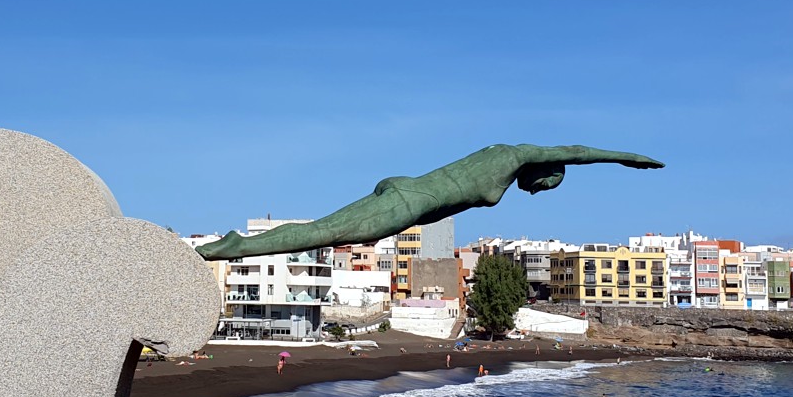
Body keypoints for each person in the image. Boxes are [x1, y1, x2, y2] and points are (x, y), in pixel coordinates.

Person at [197, 144, 662, 260]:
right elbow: (576, 152)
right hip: (409, 201)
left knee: (326, 229)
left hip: (409, 196)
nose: (539, 192)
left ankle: (239, 246)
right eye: (547, 185)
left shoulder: (501, 168)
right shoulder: (510, 157)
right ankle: (237, 247)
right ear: (546, 170)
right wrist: (626, 158)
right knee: (326, 232)